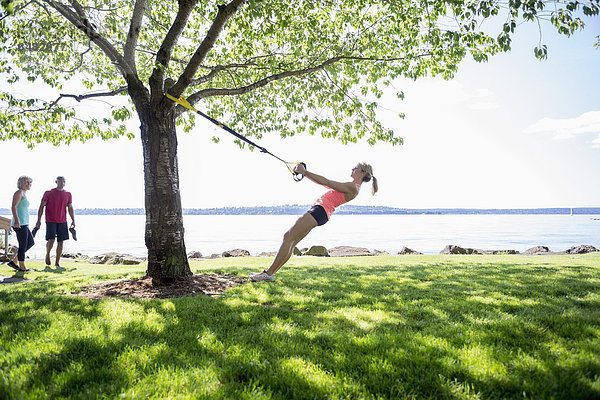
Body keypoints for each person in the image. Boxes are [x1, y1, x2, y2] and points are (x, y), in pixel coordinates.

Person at [251, 162, 378, 282]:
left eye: (355, 168)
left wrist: (305, 172)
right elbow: (326, 184)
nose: (352, 169)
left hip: (320, 211)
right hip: (321, 213)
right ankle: (270, 274)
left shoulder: (353, 187)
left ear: (362, 173)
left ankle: (268, 273)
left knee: (288, 237)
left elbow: (327, 182)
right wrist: (305, 173)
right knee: (291, 241)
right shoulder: (353, 187)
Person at [35, 176, 75, 267]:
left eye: (63, 181)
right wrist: (38, 220)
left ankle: (57, 262)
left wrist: (73, 220)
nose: (62, 183)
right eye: (60, 181)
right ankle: (48, 254)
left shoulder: (68, 194)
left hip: (63, 221)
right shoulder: (48, 193)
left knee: (61, 242)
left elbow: (70, 208)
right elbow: (41, 207)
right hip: (50, 220)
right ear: (56, 182)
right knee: (51, 239)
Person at [7, 176, 35, 272]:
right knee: (23, 244)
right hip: (18, 223)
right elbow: (13, 207)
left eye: (30, 183)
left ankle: (14, 261)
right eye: (26, 182)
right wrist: (16, 220)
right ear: (20, 183)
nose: (29, 184)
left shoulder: (24, 194)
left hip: (24, 223)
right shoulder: (19, 192)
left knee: (30, 242)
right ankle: (22, 267)